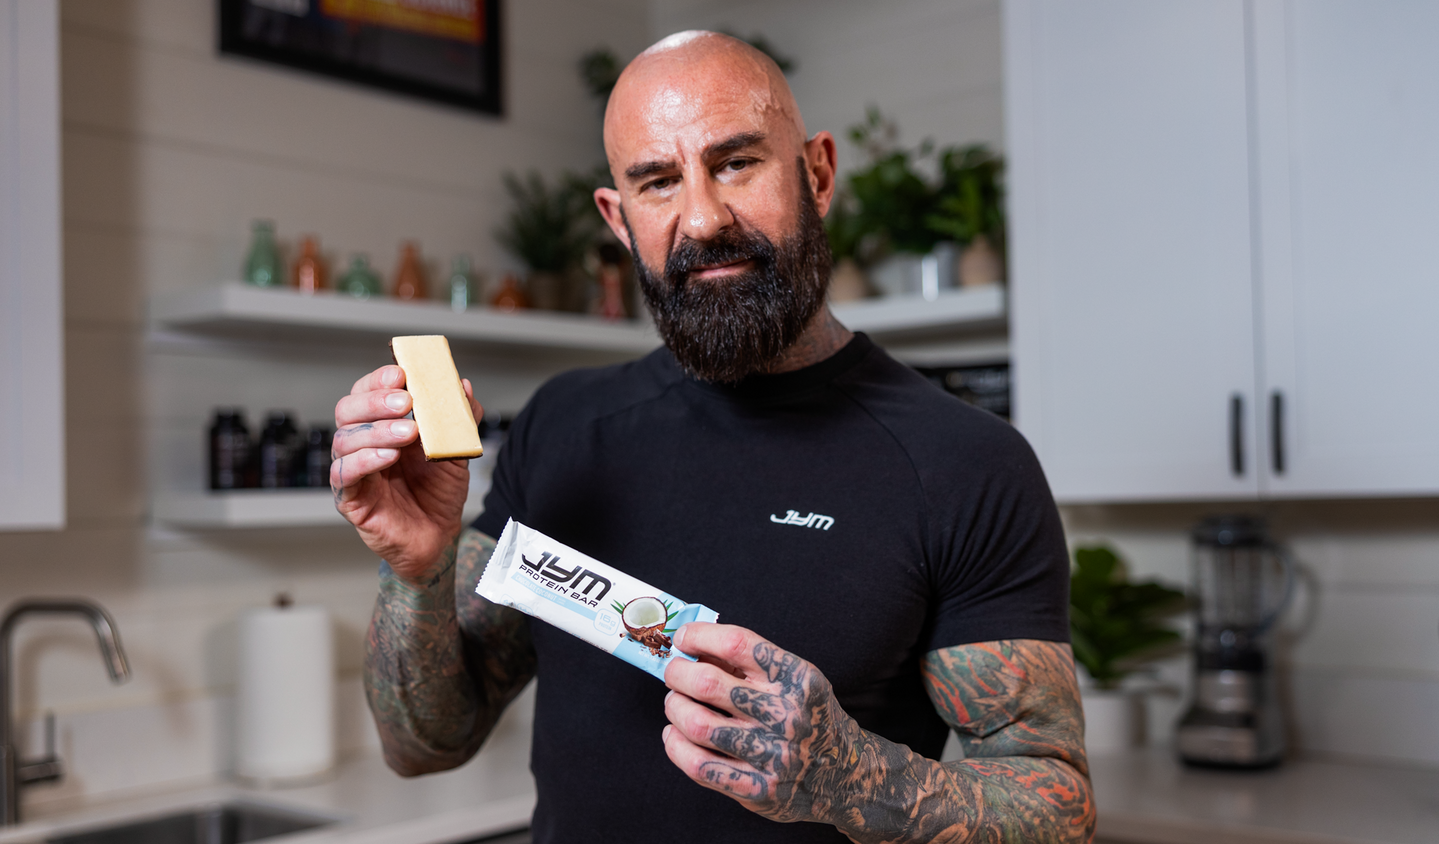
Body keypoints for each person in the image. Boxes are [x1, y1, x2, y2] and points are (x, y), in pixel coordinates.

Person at [334, 31, 1094, 844]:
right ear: (618, 219)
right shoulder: (564, 427)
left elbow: (1059, 806)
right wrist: (418, 570)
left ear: (818, 174)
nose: (701, 217)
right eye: (658, 181)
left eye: (736, 163)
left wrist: (855, 779)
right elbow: (426, 745)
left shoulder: (967, 464)